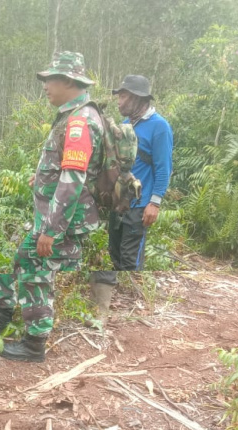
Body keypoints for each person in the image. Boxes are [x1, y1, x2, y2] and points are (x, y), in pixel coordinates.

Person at [0, 51, 106, 363]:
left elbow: (73, 178)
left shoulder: (79, 122)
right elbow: (67, 167)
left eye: (50, 79)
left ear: (69, 81)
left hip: (60, 221)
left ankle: (34, 344)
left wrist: (51, 229)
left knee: (37, 274)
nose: (45, 85)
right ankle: (2, 314)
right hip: (53, 216)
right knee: (20, 259)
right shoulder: (71, 115)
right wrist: (44, 176)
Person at [87, 75, 173, 327]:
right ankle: (114, 301)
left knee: (130, 259)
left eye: (123, 97)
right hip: (119, 202)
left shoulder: (159, 127)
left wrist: (154, 202)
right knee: (114, 253)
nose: (120, 102)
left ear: (137, 99)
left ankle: (129, 311)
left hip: (140, 204)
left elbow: (163, 167)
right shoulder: (126, 124)